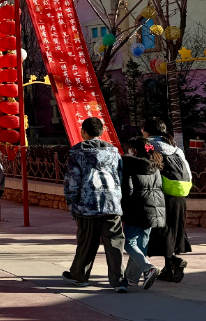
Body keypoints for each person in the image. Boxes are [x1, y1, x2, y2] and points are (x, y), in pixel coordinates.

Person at [62, 117, 127, 292]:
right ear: (102, 132)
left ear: (83, 132)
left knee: (87, 243)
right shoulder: (114, 152)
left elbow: (72, 181)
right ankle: (119, 281)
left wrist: (72, 203)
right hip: (112, 204)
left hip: (87, 205)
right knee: (115, 243)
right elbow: (120, 176)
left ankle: (80, 276)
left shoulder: (77, 153)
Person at [144, 117, 192, 283]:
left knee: (161, 231)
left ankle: (174, 261)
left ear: (147, 131)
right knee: (173, 229)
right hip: (179, 194)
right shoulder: (174, 147)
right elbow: (188, 171)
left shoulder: (148, 146)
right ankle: (169, 269)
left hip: (160, 195)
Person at [121, 136, 165, 290]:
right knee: (142, 242)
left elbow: (128, 190)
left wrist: (122, 209)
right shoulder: (155, 164)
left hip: (136, 208)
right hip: (155, 208)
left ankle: (148, 268)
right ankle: (132, 278)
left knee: (128, 242)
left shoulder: (130, 165)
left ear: (134, 150)